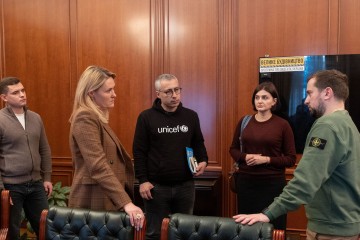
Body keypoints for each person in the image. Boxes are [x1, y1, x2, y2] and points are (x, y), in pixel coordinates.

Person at [233, 69, 360, 239]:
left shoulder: (326, 126)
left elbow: (305, 180)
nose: (306, 100)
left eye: (309, 93)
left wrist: (268, 214)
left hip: (330, 228)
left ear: (327, 93)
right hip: (346, 223)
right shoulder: (348, 122)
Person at [133, 73, 208, 240]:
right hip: (156, 188)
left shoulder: (191, 116)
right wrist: (142, 180)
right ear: (158, 94)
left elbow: (198, 142)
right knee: (154, 233)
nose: (174, 95)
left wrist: (203, 160)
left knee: (184, 232)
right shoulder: (146, 117)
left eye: (177, 90)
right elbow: (139, 151)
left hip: (185, 186)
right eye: (168, 91)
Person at [68, 65, 144, 230]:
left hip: (105, 194)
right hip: (93, 198)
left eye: (113, 89)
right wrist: (126, 203)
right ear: (91, 93)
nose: (114, 94)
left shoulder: (96, 117)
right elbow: (97, 165)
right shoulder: (85, 117)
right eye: (108, 90)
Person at [229, 81, 296, 230]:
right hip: (246, 184)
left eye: (265, 97)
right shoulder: (245, 121)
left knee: (274, 228)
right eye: (257, 97)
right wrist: (245, 157)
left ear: (274, 101)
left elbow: (291, 159)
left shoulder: (283, 125)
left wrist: (266, 160)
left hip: (272, 185)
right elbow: (233, 149)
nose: (260, 101)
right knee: (246, 227)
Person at [0, 77, 52, 239]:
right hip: (11, 186)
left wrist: (47, 177)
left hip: (36, 184)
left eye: (23, 90)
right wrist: (2, 189)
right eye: (16, 92)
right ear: (4, 97)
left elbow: (44, 149)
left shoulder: (35, 118)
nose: (22, 94)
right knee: (11, 232)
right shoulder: (0, 120)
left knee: (46, 228)